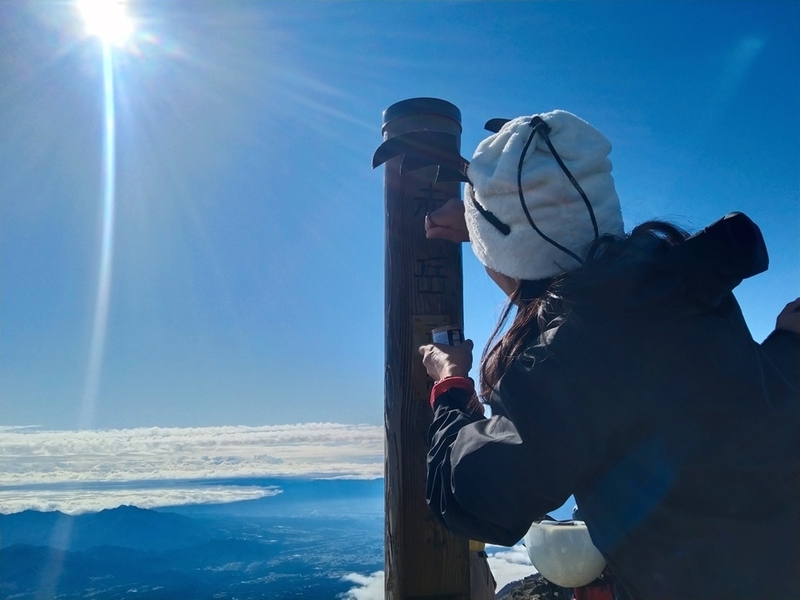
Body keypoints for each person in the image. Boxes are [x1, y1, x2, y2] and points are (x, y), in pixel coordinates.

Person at [417, 110, 800, 600]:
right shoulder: (687, 293)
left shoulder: (570, 363)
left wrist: (450, 384)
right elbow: (752, 400)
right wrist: (790, 343)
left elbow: (474, 498)